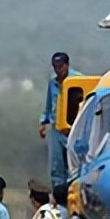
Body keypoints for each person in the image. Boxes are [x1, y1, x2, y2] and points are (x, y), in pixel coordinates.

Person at [39, 52, 79, 189]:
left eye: (60, 67)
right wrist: (44, 122)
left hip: (74, 128)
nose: (58, 70)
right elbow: (49, 104)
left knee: (74, 165)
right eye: (55, 67)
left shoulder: (78, 80)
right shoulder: (53, 83)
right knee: (56, 165)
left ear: (67, 65)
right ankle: (58, 193)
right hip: (57, 127)